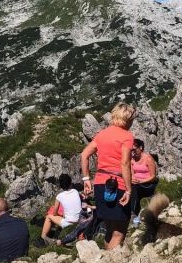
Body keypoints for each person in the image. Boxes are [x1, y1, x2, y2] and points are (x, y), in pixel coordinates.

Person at [81, 103, 136, 249]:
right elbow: (125, 163)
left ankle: (106, 262)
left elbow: (84, 154)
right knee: (119, 231)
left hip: (100, 183)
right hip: (118, 185)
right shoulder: (127, 136)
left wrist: (86, 179)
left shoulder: (102, 134)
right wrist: (129, 190)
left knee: (110, 229)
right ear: (128, 120)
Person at [37, 174, 82, 246]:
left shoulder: (59, 196)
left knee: (49, 217)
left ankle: (43, 238)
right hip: (80, 220)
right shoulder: (75, 191)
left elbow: (54, 213)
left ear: (60, 185)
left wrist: (60, 215)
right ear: (70, 183)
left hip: (69, 223)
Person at [129, 139, 158, 227]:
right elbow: (132, 173)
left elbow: (153, 176)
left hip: (148, 184)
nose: (133, 152)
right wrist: (132, 179)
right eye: (132, 150)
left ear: (140, 148)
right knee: (131, 186)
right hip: (137, 183)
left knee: (135, 187)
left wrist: (141, 181)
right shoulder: (132, 159)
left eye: (134, 149)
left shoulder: (148, 158)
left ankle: (133, 213)